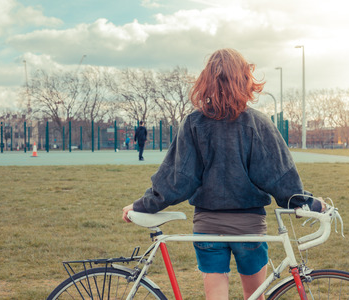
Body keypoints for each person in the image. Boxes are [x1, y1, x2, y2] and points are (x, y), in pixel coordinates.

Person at [122, 48, 325, 300]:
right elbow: (280, 179)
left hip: (208, 225)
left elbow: (177, 179)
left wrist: (143, 205)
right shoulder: (258, 123)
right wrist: (310, 203)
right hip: (249, 226)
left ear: (206, 81)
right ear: (244, 80)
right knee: (255, 295)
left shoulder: (193, 123)